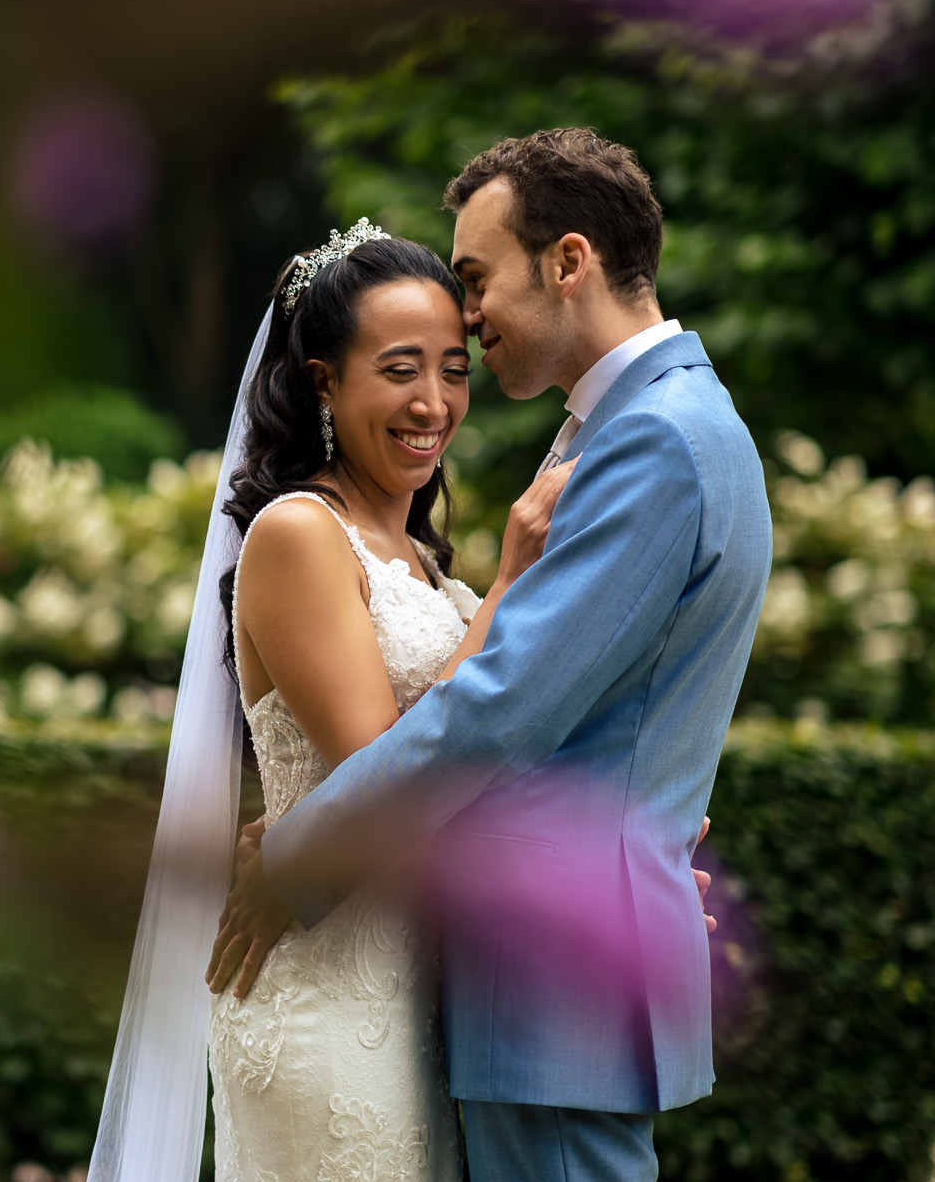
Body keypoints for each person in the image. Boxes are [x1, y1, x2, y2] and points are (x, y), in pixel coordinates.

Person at [209, 128, 772, 1182]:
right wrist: (629, 851)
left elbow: (498, 712)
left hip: (543, 996)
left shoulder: (650, 438)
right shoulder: (661, 426)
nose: (463, 316)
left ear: (566, 262)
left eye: (473, 280)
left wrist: (294, 855)